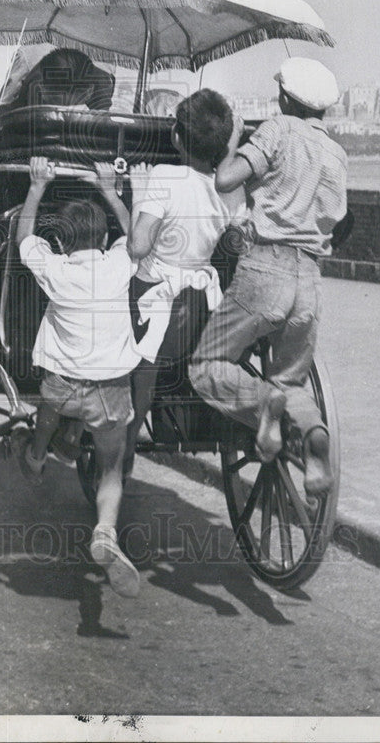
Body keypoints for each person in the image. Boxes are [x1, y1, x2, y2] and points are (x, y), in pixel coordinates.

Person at [188, 57, 347, 496]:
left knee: (205, 367)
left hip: (266, 269)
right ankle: (313, 435)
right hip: (310, 282)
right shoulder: (336, 153)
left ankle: (264, 407)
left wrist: (236, 138)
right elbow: (338, 217)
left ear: (284, 98)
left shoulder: (277, 130)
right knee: (289, 379)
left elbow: (225, 179)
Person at [15, 156, 141, 597]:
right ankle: (105, 529)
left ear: (62, 244)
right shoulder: (118, 265)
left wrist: (37, 186)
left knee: (48, 407)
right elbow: (137, 239)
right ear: (104, 238)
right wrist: (110, 190)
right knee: (110, 469)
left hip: (61, 389)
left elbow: (24, 239)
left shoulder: (56, 269)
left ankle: (37, 452)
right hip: (109, 389)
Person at [125, 89, 246, 477]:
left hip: (156, 300)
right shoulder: (225, 187)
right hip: (201, 300)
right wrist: (232, 144)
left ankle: (122, 440)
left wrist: (136, 193)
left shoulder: (163, 176)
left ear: (176, 137)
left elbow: (138, 246)